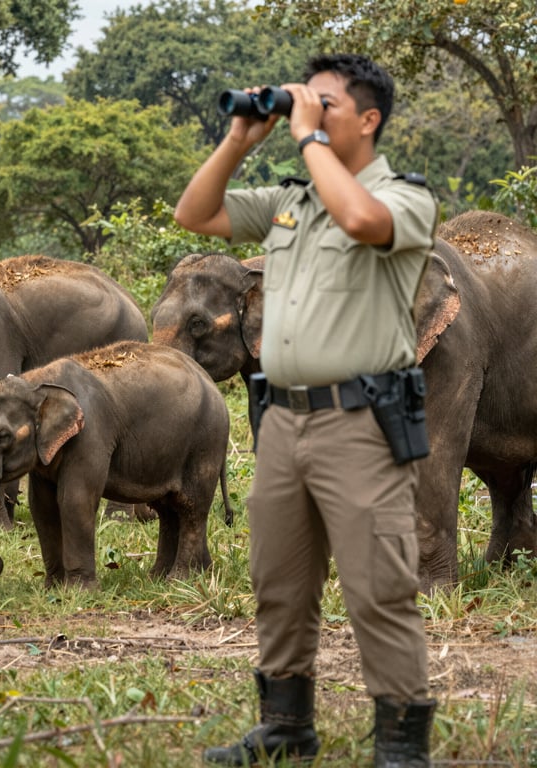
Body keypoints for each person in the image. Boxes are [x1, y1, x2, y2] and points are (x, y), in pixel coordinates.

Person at [174, 54, 437, 767]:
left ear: (369, 119)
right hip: (282, 423)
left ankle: (401, 743)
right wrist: (239, 139)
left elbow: (360, 219)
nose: (310, 115)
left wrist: (308, 138)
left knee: (379, 587)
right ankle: (286, 724)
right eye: (306, 104)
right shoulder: (293, 200)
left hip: (362, 424)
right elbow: (194, 213)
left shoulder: (404, 199)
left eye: (326, 105)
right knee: (278, 582)